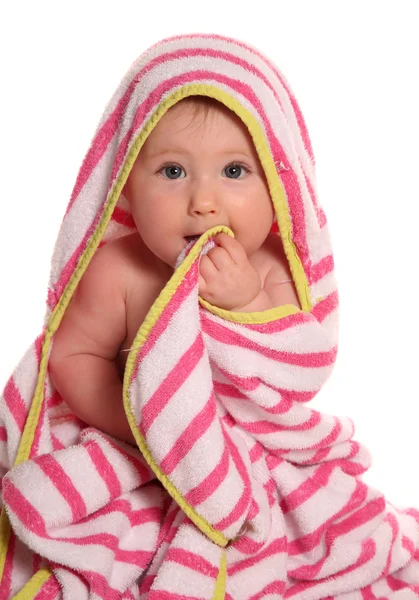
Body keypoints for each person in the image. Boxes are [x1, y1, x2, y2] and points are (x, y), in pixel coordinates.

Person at [48, 96, 301, 445]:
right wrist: (138, 430)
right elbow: (74, 356)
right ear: (127, 190)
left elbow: (295, 368)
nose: (203, 203)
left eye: (234, 170)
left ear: (277, 189)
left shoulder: (274, 266)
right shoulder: (118, 270)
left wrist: (248, 302)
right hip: (144, 438)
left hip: (248, 443)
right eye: (173, 171)